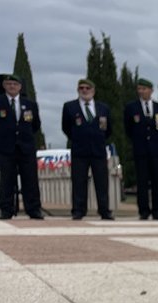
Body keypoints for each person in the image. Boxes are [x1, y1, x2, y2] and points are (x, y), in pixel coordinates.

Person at [0, 74, 42, 220]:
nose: (12, 86)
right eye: (9, 84)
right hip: (6, 147)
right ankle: (6, 210)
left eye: (15, 84)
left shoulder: (30, 104)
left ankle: (33, 209)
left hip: (26, 147)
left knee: (30, 179)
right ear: (4, 86)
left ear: (20, 87)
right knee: (6, 179)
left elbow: (35, 125)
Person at [61, 78, 113, 220]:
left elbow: (108, 130)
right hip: (79, 150)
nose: (84, 90)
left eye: (87, 88)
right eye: (81, 88)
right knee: (79, 182)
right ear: (78, 90)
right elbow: (66, 128)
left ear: (93, 91)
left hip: (98, 150)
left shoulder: (103, 108)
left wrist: (97, 138)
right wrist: (79, 137)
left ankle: (104, 210)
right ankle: (78, 210)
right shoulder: (70, 107)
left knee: (102, 182)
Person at [123, 78, 158, 220]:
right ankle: (143, 211)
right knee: (141, 182)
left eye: (144, 89)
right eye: (139, 89)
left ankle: (157, 211)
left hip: (156, 150)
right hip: (140, 149)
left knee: (156, 181)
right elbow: (128, 129)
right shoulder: (131, 108)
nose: (141, 91)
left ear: (151, 90)